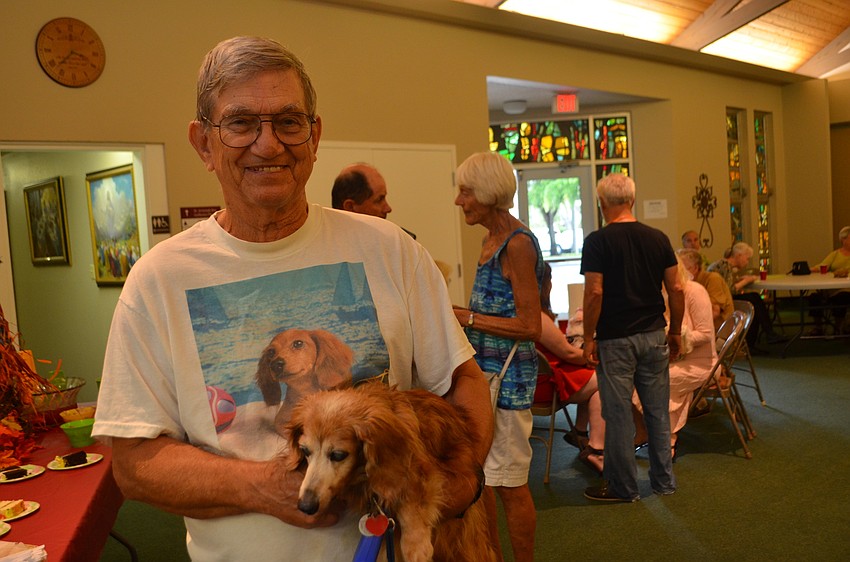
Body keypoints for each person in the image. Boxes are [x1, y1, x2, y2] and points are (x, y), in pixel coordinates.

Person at [91, 36, 493, 562]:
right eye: (240, 124)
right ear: (203, 143)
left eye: (288, 121)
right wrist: (262, 486)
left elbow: (463, 380)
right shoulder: (157, 281)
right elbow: (135, 463)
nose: (268, 143)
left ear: (314, 134)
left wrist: (464, 481)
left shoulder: (390, 248)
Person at [452, 151, 544, 562]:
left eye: (466, 191)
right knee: (486, 480)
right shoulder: (490, 240)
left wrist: (466, 317)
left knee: (510, 484)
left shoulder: (518, 244)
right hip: (486, 378)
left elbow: (530, 325)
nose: (460, 201)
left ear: (488, 194)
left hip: (508, 383)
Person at [580, 172, 683, 503]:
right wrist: (677, 330)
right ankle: (664, 482)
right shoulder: (658, 238)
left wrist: (589, 336)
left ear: (601, 203)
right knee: (657, 411)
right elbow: (677, 287)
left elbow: (595, 291)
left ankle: (625, 488)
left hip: (615, 339)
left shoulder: (598, 241)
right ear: (633, 201)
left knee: (619, 414)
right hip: (654, 334)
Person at [633, 256, 717, 458]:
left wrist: (675, 337)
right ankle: (647, 432)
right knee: (632, 377)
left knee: (658, 383)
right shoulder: (659, 295)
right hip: (673, 360)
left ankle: (665, 439)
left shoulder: (695, 291)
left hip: (702, 363)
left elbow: (705, 334)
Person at [535, 263, 605, 475]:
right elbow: (567, 353)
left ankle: (581, 432)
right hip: (543, 385)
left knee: (591, 378)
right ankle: (597, 448)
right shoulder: (537, 315)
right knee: (603, 380)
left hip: (534, 378)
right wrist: (589, 359)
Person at [707, 242, 785, 347]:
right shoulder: (725, 265)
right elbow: (730, 290)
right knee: (755, 299)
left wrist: (739, 279)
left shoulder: (722, 265)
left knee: (754, 300)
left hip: (718, 299)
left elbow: (725, 284)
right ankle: (767, 334)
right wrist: (747, 280)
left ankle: (759, 338)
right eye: (747, 258)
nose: (747, 262)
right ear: (739, 255)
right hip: (721, 303)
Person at [331, 162, 416, 238]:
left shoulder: (397, 243)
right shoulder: (328, 247)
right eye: (379, 200)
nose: (388, 208)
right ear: (350, 207)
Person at [677, 248, 734, 332]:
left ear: (695, 268)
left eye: (681, 269)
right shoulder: (687, 284)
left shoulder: (712, 279)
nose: (678, 273)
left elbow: (713, 313)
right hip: (697, 330)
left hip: (719, 333)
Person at [809, 225, 850, 334]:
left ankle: (838, 327)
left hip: (847, 289)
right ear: (843, 240)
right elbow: (822, 266)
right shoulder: (835, 255)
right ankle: (818, 327)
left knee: (842, 297)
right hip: (832, 288)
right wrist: (809, 269)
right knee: (814, 298)